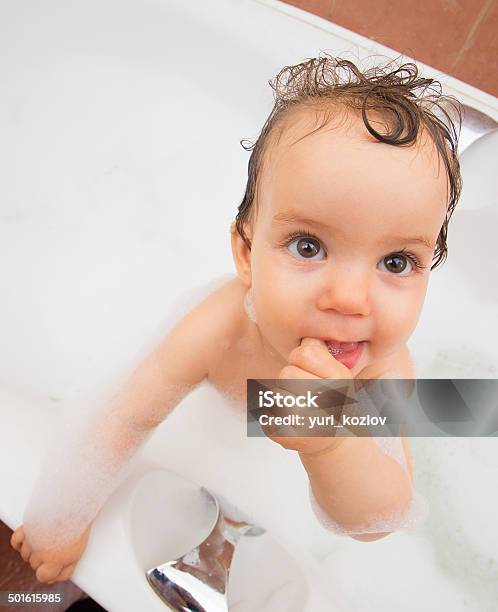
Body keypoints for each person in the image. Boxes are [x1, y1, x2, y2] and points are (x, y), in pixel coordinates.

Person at [10, 54, 462, 584]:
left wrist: (334, 441)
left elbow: (376, 520)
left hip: (279, 495)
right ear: (246, 253)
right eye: (309, 246)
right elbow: (128, 415)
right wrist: (64, 515)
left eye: (396, 262)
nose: (349, 298)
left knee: (461, 413)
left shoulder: (381, 369)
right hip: (211, 444)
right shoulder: (221, 328)